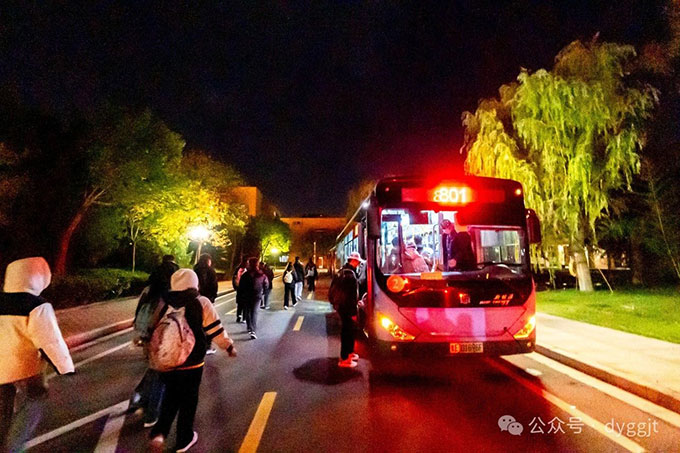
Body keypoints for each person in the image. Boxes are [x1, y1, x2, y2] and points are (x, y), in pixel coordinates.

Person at [149, 269, 236, 453]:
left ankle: (159, 433)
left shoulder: (164, 301)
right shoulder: (201, 302)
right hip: (192, 361)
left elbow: (152, 326)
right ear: (194, 283)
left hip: (168, 358)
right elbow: (215, 329)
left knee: (170, 397)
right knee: (188, 400)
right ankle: (184, 439)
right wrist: (228, 346)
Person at [0, 257, 75, 452]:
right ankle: (13, 447)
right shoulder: (37, 305)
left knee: (3, 407)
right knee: (35, 397)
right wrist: (65, 367)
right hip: (23, 367)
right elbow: (50, 341)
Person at [328, 267, 359, 368]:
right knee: (347, 332)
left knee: (348, 331)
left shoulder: (343, 273)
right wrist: (354, 312)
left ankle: (349, 354)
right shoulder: (350, 276)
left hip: (341, 306)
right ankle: (345, 359)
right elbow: (351, 297)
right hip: (347, 308)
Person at [237, 257, 269, 339]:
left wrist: (239, 297)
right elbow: (266, 285)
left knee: (247, 311)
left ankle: (249, 327)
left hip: (246, 296)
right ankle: (253, 330)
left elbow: (240, 287)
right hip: (257, 296)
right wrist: (263, 292)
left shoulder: (245, 275)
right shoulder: (261, 275)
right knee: (254, 312)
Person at [194, 253, 219, 354]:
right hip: (208, 299)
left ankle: (196, 344)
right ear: (208, 261)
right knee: (208, 322)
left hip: (196, 299)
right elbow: (214, 286)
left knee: (197, 322)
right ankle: (207, 346)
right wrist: (213, 297)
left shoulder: (195, 270)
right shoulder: (211, 271)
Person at [232, 258, 248, 323]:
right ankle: (241, 317)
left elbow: (234, 278)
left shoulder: (239, 269)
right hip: (242, 288)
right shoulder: (242, 269)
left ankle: (241, 317)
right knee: (242, 304)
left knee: (241, 304)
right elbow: (234, 278)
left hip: (242, 288)